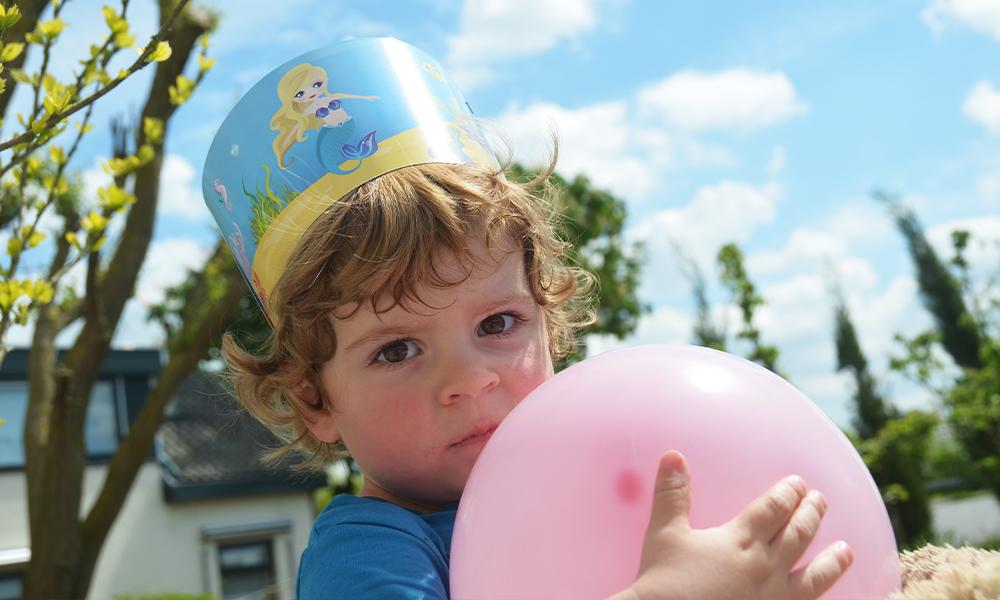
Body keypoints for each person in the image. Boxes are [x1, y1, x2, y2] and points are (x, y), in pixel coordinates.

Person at [205, 38, 854, 600]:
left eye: (496, 325)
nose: (470, 379)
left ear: (549, 319)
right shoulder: (369, 551)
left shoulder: (606, 473)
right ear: (316, 399)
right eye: (397, 349)